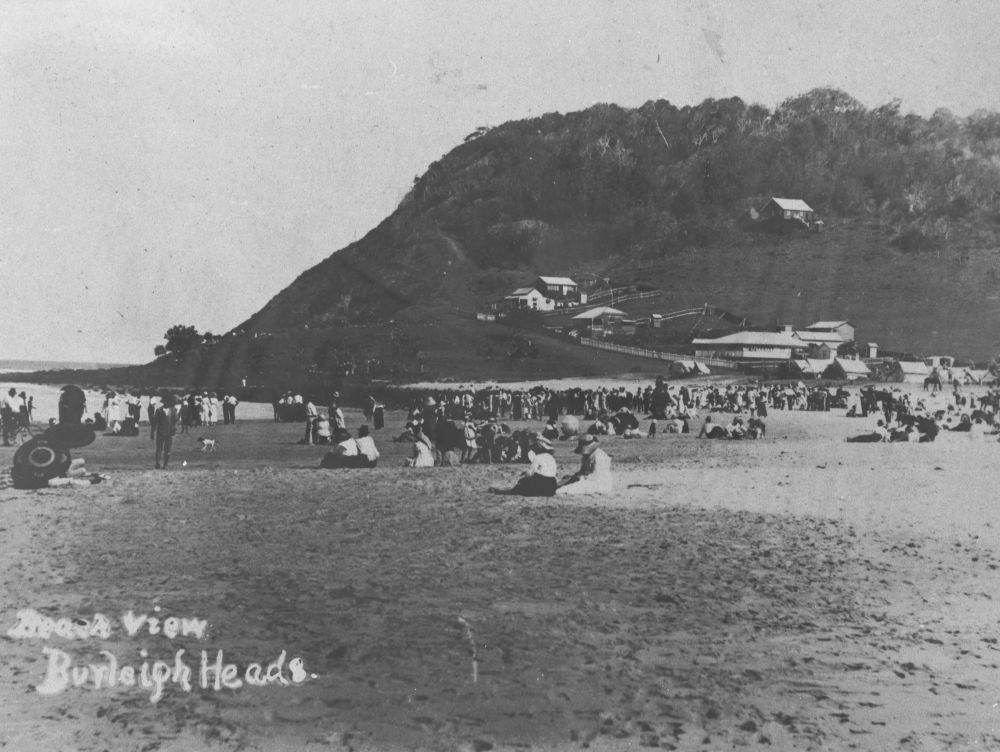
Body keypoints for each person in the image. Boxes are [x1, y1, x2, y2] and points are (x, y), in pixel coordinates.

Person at [491, 434, 558, 496]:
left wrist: (524, 475)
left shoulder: (538, 457)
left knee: (522, 482)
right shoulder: (551, 458)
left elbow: (531, 473)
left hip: (541, 483)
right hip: (551, 487)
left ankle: (504, 492)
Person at [150, 395, 178, 469]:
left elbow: (175, 421)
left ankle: (165, 464)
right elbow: (155, 422)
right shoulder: (158, 410)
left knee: (168, 449)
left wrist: (174, 429)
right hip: (160, 432)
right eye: (166, 402)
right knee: (159, 448)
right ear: (164, 403)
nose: (167, 403)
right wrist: (152, 432)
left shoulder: (173, 410)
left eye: (169, 402)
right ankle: (157, 463)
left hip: (169, 432)